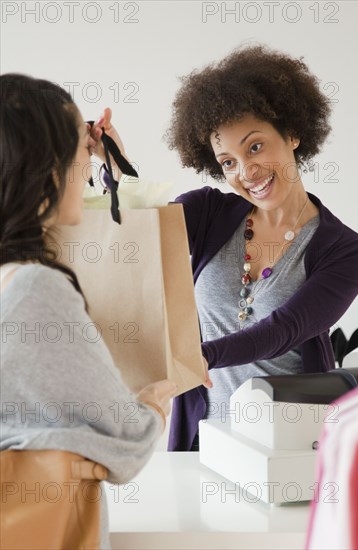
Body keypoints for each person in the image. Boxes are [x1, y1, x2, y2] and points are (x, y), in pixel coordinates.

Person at [92, 45, 358, 452]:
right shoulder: (208, 211)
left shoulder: (347, 251)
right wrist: (115, 162)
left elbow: (284, 330)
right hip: (203, 439)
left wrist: (193, 357)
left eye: (255, 147)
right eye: (228, 162)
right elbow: (140, 237)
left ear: (293, 134)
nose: (246, 172)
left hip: (290, 446)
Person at [0, 74, 177, 547]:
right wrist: (155, 408)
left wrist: (112, 171)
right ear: (46, 165)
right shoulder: (35, 289)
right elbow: (128, 441)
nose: (86, 159)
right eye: (79, 147)